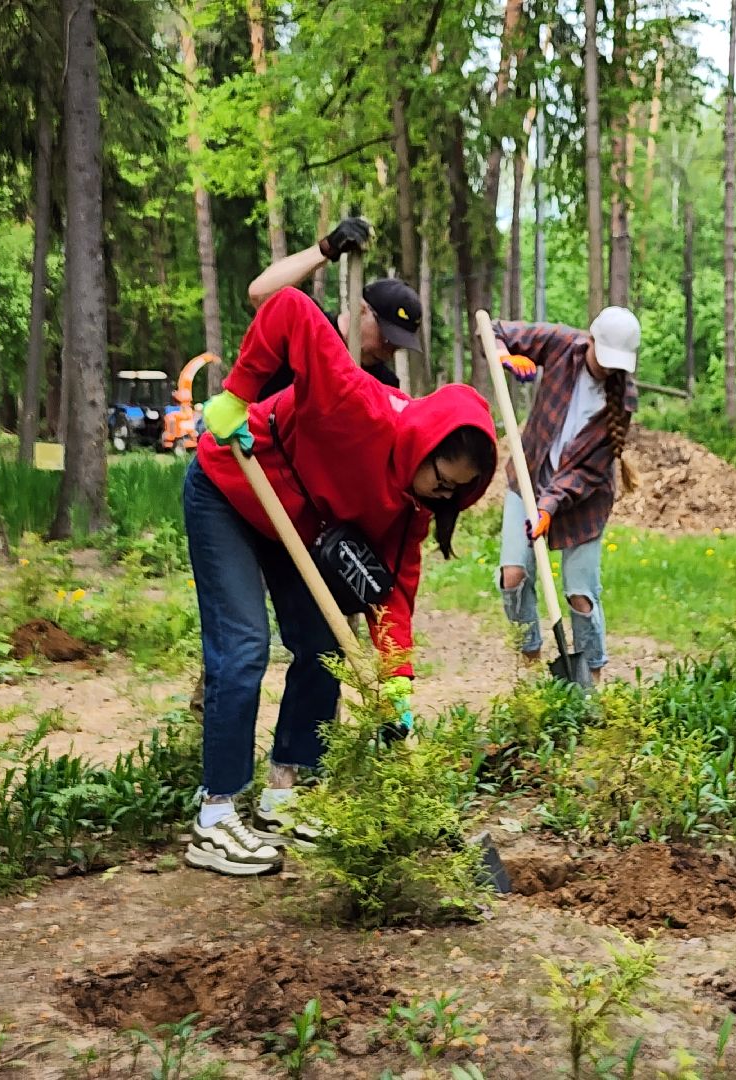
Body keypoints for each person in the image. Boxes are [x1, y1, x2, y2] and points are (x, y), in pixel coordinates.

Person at [183, 286, 497, 876]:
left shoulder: (413, 509)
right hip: (232, 483)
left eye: (459, 491)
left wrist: (395, 684)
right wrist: (237, 395)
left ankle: (282, 796)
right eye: (443, 479)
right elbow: (287, 309)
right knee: (245, 647)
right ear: (423, 445)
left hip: (294, 524)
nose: (445, 494)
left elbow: (392, 597)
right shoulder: (358, 405)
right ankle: (215, 816)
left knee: (325, 645)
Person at [490, 307, 641, 684]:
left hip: (582, 502)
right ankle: (530, 662)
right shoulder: (561, 344)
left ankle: (591, 680)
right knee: (513, 575)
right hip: (528, 476)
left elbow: (589, 471)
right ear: (590, 339)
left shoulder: (622, 399)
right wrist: (504, 355)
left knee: (579, 593)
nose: (607, 369)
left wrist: (549, 505)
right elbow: (492, 328)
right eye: (603, 359)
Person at [247, 217, 423, 396]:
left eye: (397, 346)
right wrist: (326, 249)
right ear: (361, 309)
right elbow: (259, 293)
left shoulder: (384, 386)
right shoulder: (307, 327)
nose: (388, 354)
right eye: (386, 338)